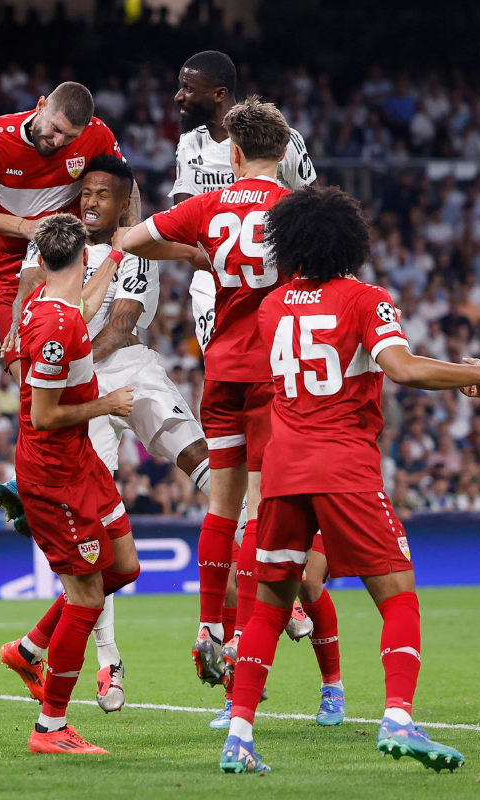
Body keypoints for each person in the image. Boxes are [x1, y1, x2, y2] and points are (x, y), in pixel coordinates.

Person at [220, 185, 480, 774]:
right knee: (398, 596)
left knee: (268, 605)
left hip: (284, 470)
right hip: (344, 465)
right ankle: (397, 718)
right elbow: (401, 368)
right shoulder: (365, 298)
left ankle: (238, 736)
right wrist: (472, 372)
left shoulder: (270, 308)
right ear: (350, 241)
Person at [127, 95, 340, 728]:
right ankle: (262, 667)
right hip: (276, 376)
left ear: (235, 153)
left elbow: (134, 240)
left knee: (221, 508)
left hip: (220, 370)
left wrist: (199, 256)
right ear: (284, 153)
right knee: (266, 522)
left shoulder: (209, 204)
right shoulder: (298, 211)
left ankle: (209, 631)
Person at [0, 155, 212, 712]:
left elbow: (114, 323)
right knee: (91, 566)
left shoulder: (126, 250)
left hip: (117, 368)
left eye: (102, 193)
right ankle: (102, 669)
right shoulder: (53, 256)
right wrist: (43, 370)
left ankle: (33, 645)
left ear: (125, 202)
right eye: (83, 191)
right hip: (72, 402)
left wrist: (120, 252)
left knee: (133, 553)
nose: (89, 201)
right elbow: (25, 319)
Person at [0, 213, 139, 755]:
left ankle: (30, 649)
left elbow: (78, 306)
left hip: (81, 465)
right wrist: (109, 403)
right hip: (55, 475)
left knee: (123, 567)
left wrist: (120, 258)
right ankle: (50, 728)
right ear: (82, 257)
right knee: (85, 598)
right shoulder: (56, 324)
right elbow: (44, 415)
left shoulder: (49, 302)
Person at [0, 82, 137, 384]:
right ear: (40, 106)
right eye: (55, 129)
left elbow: (127, 187)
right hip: (13, 269)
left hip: (74, 267)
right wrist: (25, 227)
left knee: (85, 374)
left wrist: (128, 239)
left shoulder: (97, 134)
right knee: (26, 380)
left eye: (70, 137)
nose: (58, 141)